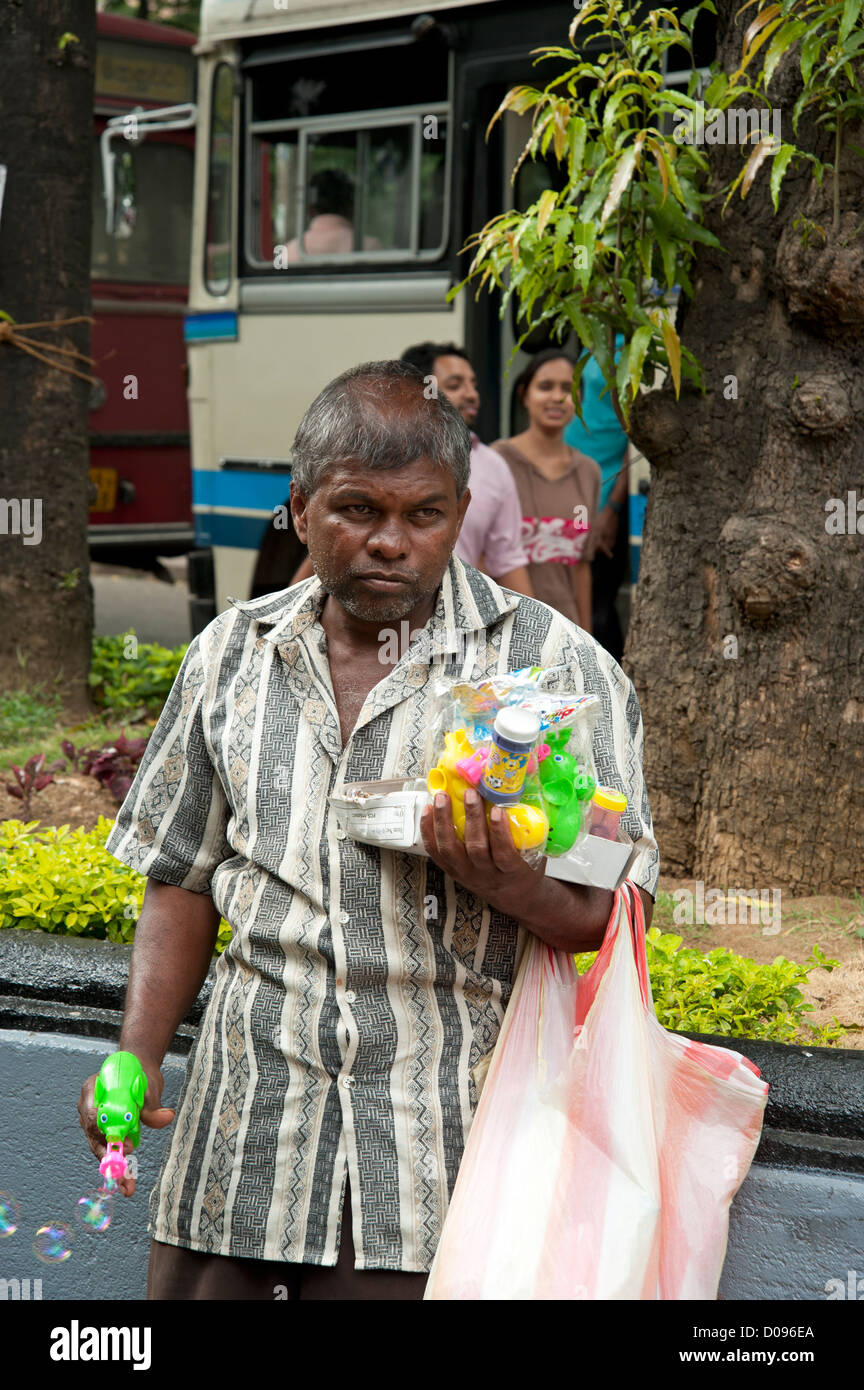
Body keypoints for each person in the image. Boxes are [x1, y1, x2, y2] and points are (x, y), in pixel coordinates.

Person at [77, 360, 659, 1300]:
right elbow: (179, 876)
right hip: (241, 1148)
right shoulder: (230, 655)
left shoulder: (556, 674)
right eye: (357, 510)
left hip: (438, 1171)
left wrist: (514, 885)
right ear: (300, 509)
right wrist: (137, 1054)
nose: (392, 543)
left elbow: (611, 911)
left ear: (462, 510)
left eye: (424, 516)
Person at [398, 343, 533, 597]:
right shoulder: (380, 458)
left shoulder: (492, 465)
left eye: (473, 385)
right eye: (455, 385)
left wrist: (536, 632)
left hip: (459, 623)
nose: (472, 394)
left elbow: (507, 559)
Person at [492, 350, 602, 632]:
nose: (557, 397)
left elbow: (581, 567)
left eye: (567, 388)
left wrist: (587, 640)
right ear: (524, 395)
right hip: (506, 628)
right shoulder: (496, 462)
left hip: (565, 630)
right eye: (545, 387)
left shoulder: (588, 472)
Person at [564, 339, 630, 662]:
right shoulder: (591, 342)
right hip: (575, 490)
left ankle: (610, 685)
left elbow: (636, 437)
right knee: (576, 589)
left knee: (599, 603)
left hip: (605, 492)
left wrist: (613, 508)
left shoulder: (633, 347)